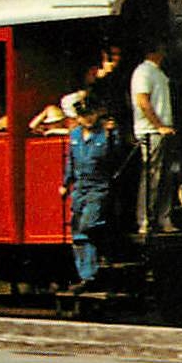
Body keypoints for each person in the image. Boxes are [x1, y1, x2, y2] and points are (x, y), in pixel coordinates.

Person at [60, 101, 121, 287]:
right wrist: (65, 183)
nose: (87, 118)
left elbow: (115, 157)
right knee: (78, 231)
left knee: (88, 224)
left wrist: (112, 135)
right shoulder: (75, 135)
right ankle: (87, 275)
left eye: (90, 113)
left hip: (98, 187)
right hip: (79, 187)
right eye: (83, 114)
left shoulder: (106, 134)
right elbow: (71, 161)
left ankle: (102, 256)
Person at [130, 42, 178, 236]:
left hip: (161, 131)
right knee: (152, 177)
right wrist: (158, 126)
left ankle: (163, 218)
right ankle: (145, 220)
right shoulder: (143, 72)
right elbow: (142, 101)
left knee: (165, 177)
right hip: (151, 132)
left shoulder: (158, 73)